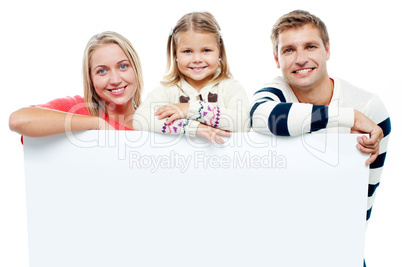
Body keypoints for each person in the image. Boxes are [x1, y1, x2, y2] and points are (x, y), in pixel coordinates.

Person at [250, 10, 391, 266]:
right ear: (276, 58)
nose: (301, 59)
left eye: (310, 46)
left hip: (338, 247)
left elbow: (364, 198)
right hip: (276, 246)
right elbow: (261, 117)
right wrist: (347, 118)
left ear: (327, 50)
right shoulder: (275, 92)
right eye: (289, 50)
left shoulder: (369, 108)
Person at [133, 11, 250, 144]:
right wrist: (193, 127)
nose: (197, 59)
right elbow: (140, 119)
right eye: (187, 51)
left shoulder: (230, 88)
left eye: (206, 50)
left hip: (222, 162)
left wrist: (190, 109)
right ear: (176, 54)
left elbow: (243, 123)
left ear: (220, 51)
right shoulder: (168, 90)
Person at [9, 31, 143, 137]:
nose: (115, 80)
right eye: (102, 71)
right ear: (90, 78)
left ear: (136, 69)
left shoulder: (157, 121)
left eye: (123, 66)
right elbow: (18, 120)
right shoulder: (79, 109)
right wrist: (96, 123)